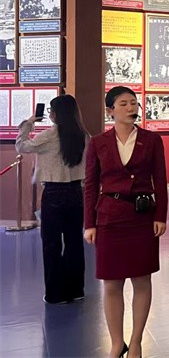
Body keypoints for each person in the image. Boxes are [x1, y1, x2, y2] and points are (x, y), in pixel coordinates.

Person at [83, 87, 168, 358]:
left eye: (133, 103)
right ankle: (117, 343)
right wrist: (89, 223)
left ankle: (137, 340)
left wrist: (160, 215)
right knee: (111, 283)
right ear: (110, 110)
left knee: (142, 279)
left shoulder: (152, 140)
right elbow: (90, 185)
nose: (131, 107)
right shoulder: (98, 143)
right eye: (123, 104)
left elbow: (161, 180)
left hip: (142, 217)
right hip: (109, 217)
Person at [16, 94, 90, 304]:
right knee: (74, 242)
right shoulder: (84, 136)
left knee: (51, 244)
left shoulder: (49, 135)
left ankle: (55, 294)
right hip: (76, 192)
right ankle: (76, 290)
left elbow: (22, 146)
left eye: (51, 111)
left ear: (56, 114)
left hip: (54, 194)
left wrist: (29, 123)